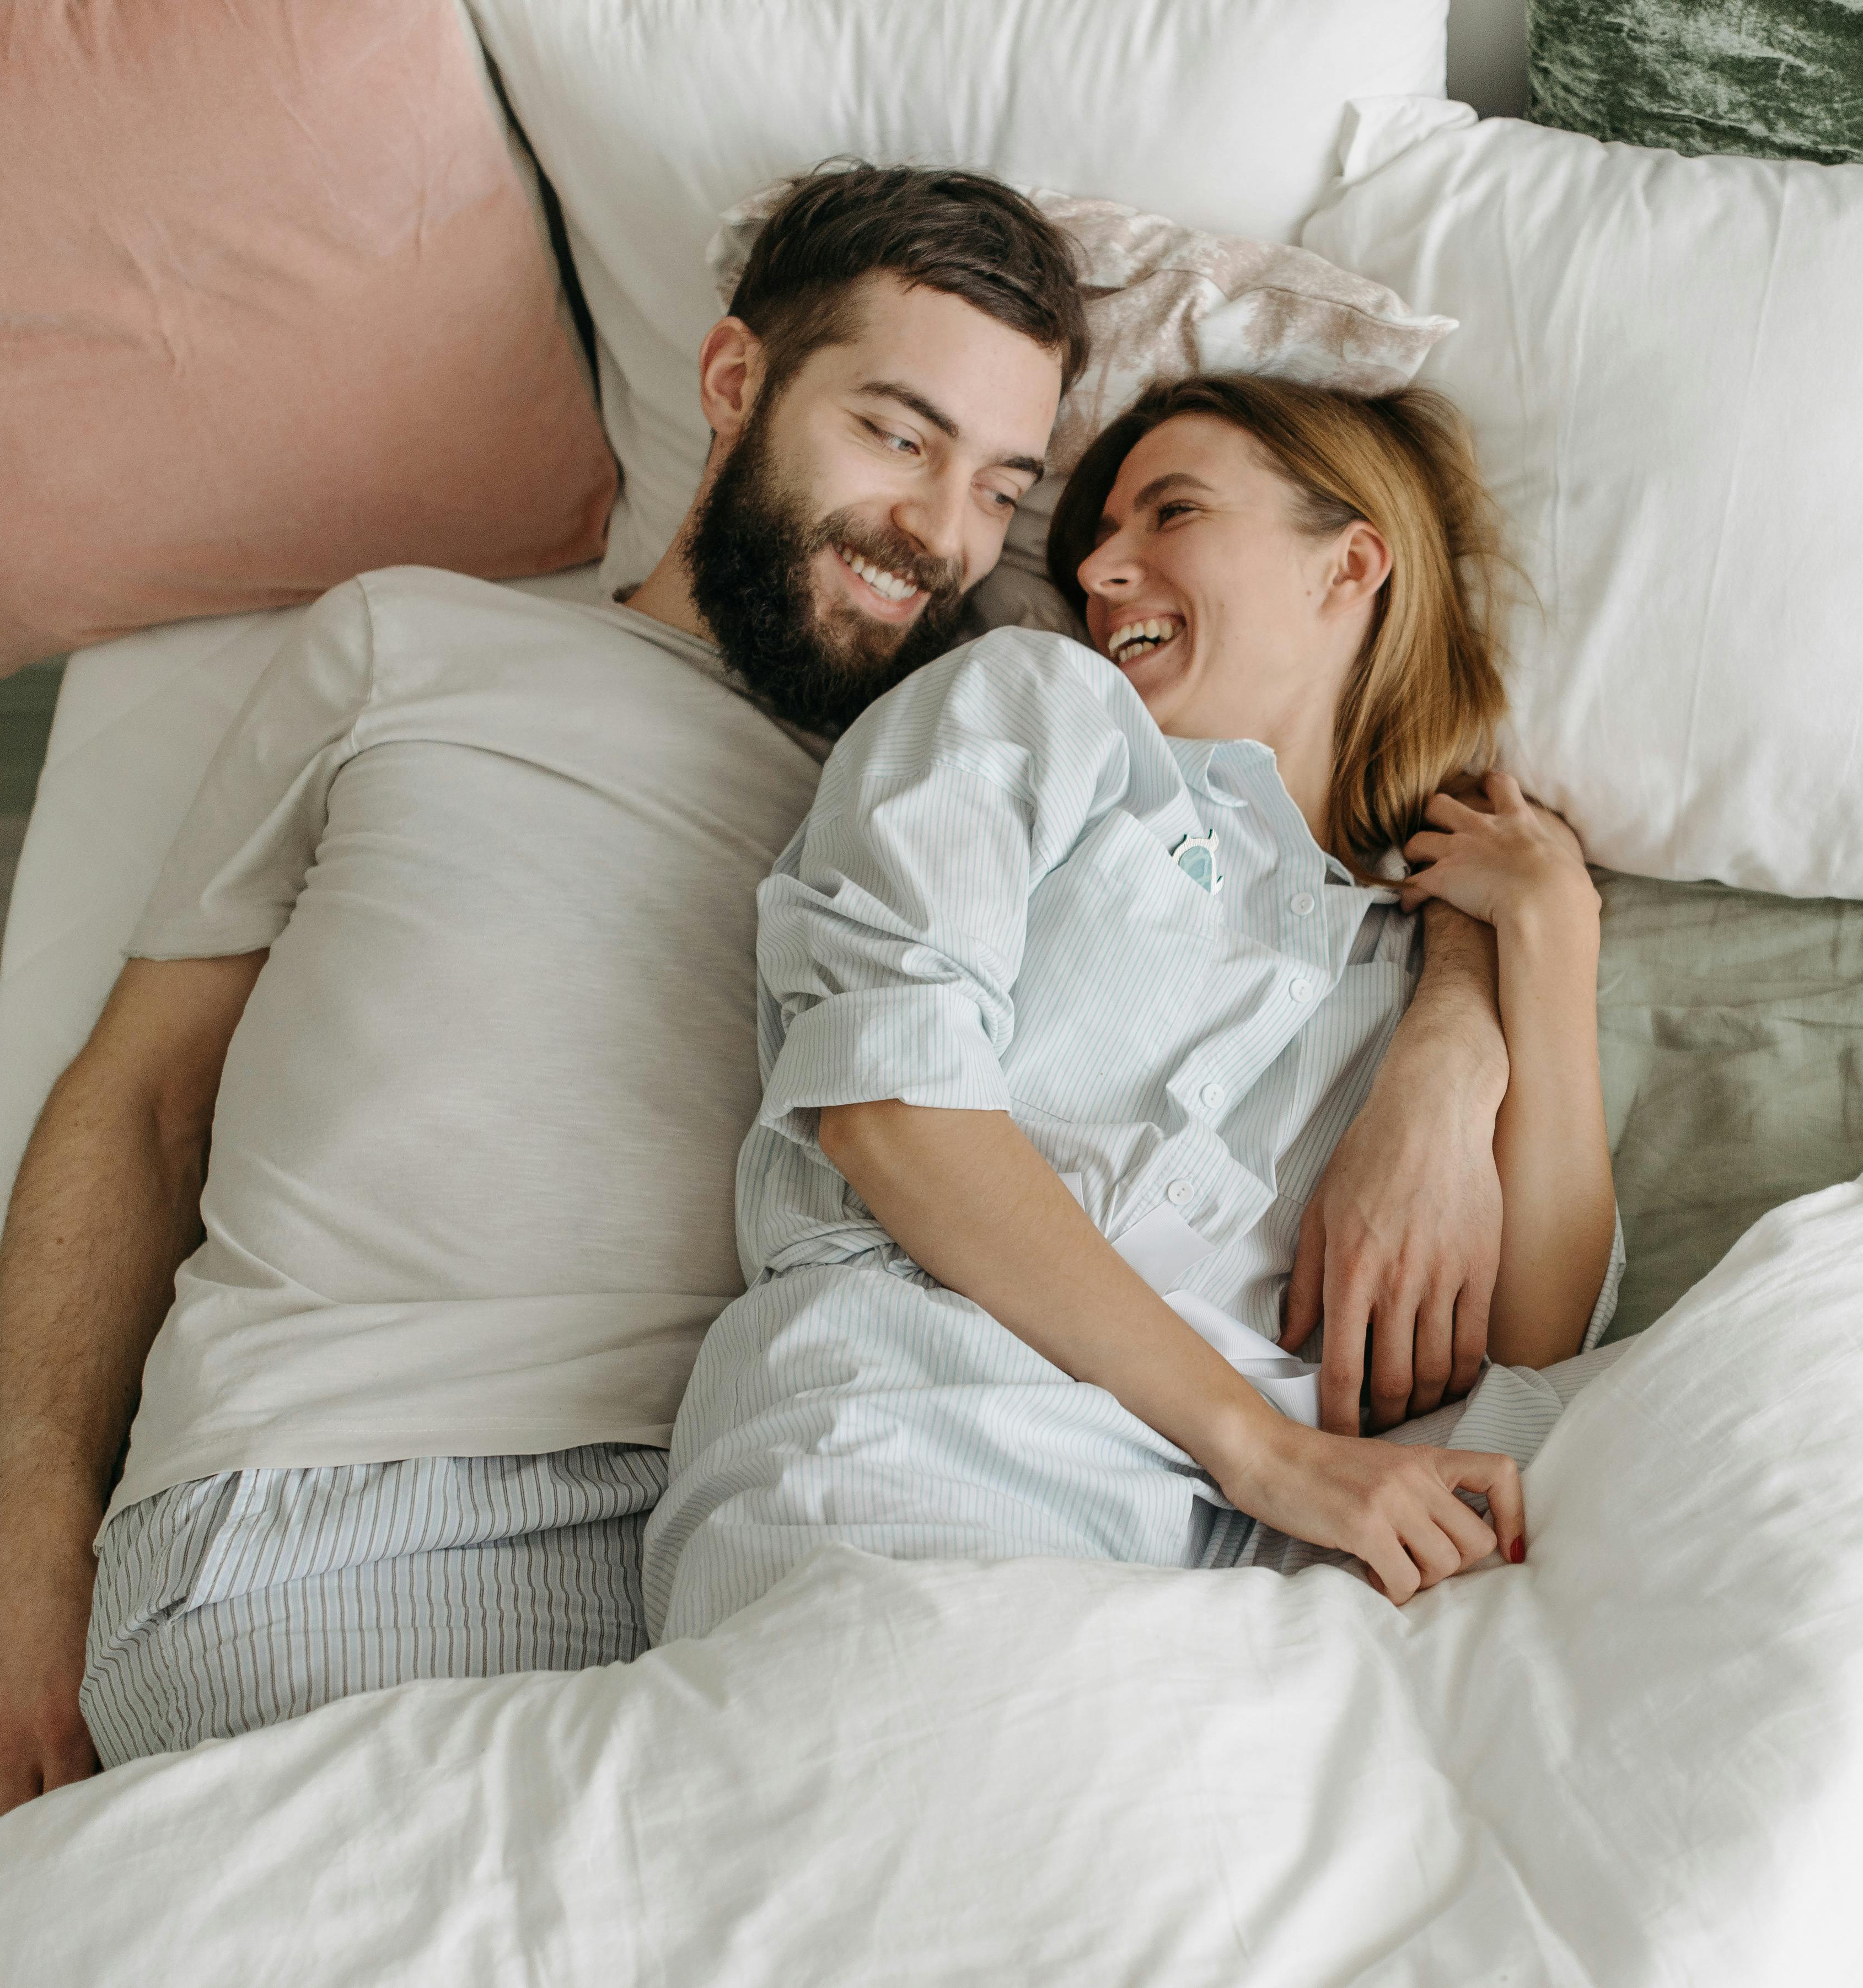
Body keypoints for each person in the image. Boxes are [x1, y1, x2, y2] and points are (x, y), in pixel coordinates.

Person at [0, 168, 1520, 1825]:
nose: (940, 534)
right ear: (731, 382)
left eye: (1001, 490)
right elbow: (139, 1100)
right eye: (897, 437)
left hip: (759, 1529)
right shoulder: (404, 649)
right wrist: (29, 1573)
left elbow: (1365, 853)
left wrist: (1458, 1024)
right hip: (338, 1501)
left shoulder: (1008, 770)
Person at [645, 375, 1618, 1638]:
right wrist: (1266, 1450)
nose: (1101, 572)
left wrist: (1539, 947)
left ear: (1349, 564)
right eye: (1096, 539)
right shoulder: (1038, 706)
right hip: (915, 1444)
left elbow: (1540, 1353)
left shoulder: (1425, 956)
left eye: (1173, 513)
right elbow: (891, 1105)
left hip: (1254, 1595)